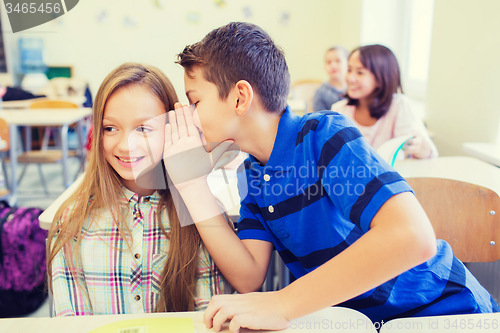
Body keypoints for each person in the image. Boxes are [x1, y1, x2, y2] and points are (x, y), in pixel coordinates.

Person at [166, 22, 499, 332]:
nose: (190, 118)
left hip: (445, 313)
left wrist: (283, 302)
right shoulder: (252, 172)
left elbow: (413, 236)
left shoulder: (323, 135)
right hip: (362, 323)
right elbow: (248, 274)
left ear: (240, 97)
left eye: (195, 102)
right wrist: (192, 185)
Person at [46, 63, 233, 316]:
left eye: (143, 129)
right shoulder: (71, 224)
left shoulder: (201, 216)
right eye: (110, 128)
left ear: (171, 131)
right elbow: (72, 323)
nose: (126, 145)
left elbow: (209, 319)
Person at [332, 44, 437, 158]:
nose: (350, 78)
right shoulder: (339, 110)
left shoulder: (399, 105)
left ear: (380, 77)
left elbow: (430, 156)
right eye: (349, 70)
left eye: (360, 72)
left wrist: (418, 145)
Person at [312, 46, 348, 112]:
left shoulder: (354, 89)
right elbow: (320, 118)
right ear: (324, 66)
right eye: (328, 62)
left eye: (338, 61)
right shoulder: (320, 92)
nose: (333, 65)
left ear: (348, 63)